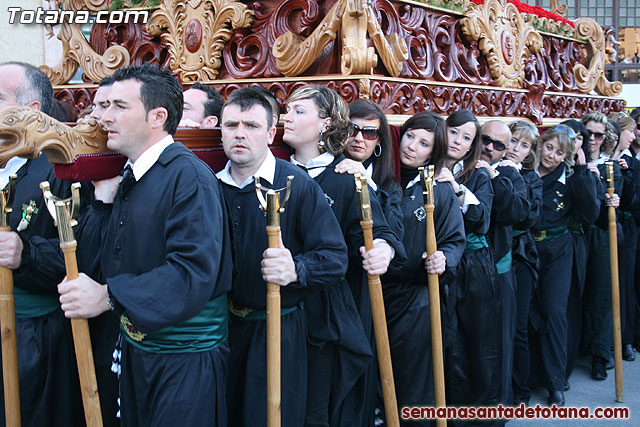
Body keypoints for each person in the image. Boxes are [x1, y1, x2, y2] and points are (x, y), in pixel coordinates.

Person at [57, 64, 233, 426]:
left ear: (158, 116)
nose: (104, 117)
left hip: (184, 363)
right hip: (139, 355)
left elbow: (191, 274)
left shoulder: (189, 177)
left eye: (120, 107)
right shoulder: (132, 173)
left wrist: (108, 296)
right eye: (106, 107)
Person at [217, 87, 348, 427]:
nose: (240, 134)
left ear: (271, 132)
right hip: (220, 329)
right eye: (231, 125)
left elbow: (334, 256)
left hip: (277, 327)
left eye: (251, 125)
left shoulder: (296, 184)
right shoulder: (209, 185)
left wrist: (296, 268)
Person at [282, 85, 404, 426]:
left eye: (298, 111)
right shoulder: (274, 172)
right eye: (286, 110)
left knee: (317, 408)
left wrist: (384, 249)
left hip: (325, 311)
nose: (286, 117)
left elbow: (378, 230)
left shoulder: (347, 177)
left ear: (325, 124)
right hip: (276, 308)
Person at [0, 61, 85, 427]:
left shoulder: (61, 168)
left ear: (29, 112)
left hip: (33, 334)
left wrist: (26, 254)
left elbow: (82, 253)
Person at [383, 111, 465, 426]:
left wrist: (444, 257)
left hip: (415, 297)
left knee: (412, 375)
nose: (412, 146)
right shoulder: (380, 177)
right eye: (410, 136)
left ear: (434, 151)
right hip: (374, 288)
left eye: (424, 143)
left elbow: (454, 240)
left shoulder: (437, 188)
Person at [529, 126, 600, 406]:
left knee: (555, 311)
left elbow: (590, 213)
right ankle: (529, 375)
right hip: (528, 248)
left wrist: (582, 171)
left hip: (558, 250)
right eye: (549, 148)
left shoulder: (571, 179)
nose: (552, 156)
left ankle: (555, 381)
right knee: (527, 311)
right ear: (541, 144)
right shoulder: (525, 170)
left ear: (567, 156)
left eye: (560, 153)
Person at [438, 109, 501, 415]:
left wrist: (457, 189)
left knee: (476, 342)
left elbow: (482, 220)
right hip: (439, 265)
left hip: (474, 266)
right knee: (444, 343)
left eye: (467, 138)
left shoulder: (478, 174)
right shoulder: (425, 164)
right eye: (454, 132)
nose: (458, 141)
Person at [477, 120, 530, 406]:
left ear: (505, 150)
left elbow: (518, 212)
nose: (489, 148)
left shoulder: (510, 175)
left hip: (498, 272)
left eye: (498, 145)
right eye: (485, 140)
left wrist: (493, 177)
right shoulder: (459, 168)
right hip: (464, 273)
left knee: (500, 343)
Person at [581, 112, 622, 382]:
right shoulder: (574, 159)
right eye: (588, 134)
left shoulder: (611, 167)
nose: (593, 140)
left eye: (598, 135)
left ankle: (600, 355)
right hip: (577, 234)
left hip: (601, 234)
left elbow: (619, 199)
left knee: (602, 294)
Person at [506, 120, 542, 406]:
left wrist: (513, 177)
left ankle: (520, 390)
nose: (515, 149)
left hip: (520, 256)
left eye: (523, 145)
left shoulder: (530, 178)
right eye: (513, 140)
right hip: (494, 257)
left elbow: (528, 217)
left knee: (517, 326)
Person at [335, 98, 403, 239]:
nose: (359, 138)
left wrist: (371, 186)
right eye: (352, 130)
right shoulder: (329, 168)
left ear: (379, 139)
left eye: (370, 133)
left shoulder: (388, 184)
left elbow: (396, 232)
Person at [612, 116, 640, 362]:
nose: (632, 136)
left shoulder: (629, 162)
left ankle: (627, 338)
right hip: (617, 227)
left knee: (627, 284)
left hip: (629, 228)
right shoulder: (616, 162)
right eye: (629, 131)